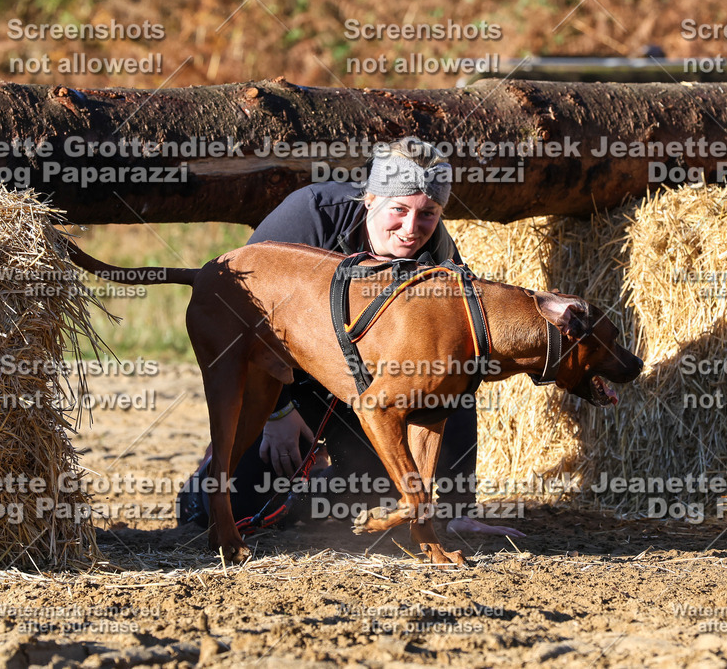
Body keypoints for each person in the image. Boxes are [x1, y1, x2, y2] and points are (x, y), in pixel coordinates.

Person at [177, 137, 523, 539]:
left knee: (382, 469)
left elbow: (457, 370)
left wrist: (457, 505)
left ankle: (319, 493)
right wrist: (278, 413)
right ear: (370, 198)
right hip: (287, 377)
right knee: (237, 499)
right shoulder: (310, 216)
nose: (411, 230)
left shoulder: (440, 255)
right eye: (398, 209)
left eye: (428, 213)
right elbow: (238, 309)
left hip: (365, 387)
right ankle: (203, 490)